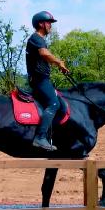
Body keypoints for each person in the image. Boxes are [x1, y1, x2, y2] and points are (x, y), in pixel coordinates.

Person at [26, 11, 69, 151]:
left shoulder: (40, 40)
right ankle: (40, 137)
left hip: (43, 80)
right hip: (40, 81)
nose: (51, 26)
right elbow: (44, 53)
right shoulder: (36, 38)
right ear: (41, 24)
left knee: (61, 102)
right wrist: (59, 63)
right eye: (49, 22)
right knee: (54, 104)